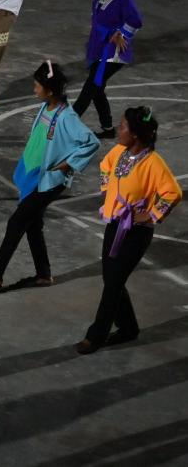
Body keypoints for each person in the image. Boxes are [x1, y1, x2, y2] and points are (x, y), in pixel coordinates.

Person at [0, 61, 100, 294]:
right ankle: (44, 274)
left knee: (17, 222)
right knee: (33, 224)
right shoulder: (47, 107)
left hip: (47, 181)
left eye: (37, 86)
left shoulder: (67, 117)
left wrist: (67, 164)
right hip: (33, 174)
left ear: (50, 90)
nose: (34, 89)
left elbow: (91, 142)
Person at [76, 106, 182, 354]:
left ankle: (96, 335)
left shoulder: (153, 163)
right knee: (111, 278)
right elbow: (105, 165)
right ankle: (129, 328)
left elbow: (173, 192)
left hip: (136, 232)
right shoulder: (119, 151)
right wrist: (107, 191)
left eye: (123, 126)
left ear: (134, 134)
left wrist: (151, 214)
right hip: (115, 224)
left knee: (113, 283)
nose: (118, 129)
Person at [72, 0, 143, 140]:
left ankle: (67, 123)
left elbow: (136, 21)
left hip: (112, 53)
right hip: (99, 45)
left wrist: (121, 33)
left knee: (91, 86)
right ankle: (108, 128)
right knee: (97, 89)